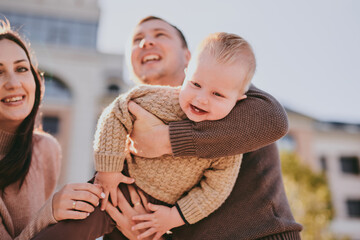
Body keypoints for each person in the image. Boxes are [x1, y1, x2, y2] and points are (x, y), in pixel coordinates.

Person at [32, 16, 302, 240]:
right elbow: (117, 196)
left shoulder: (229, 93)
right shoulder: (134, 113)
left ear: (188, 57)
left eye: (160, 34)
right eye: (137, 40)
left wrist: (167, 140)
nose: (146, 41)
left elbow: (275, 120)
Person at [94, 32, 254, 239]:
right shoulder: (156, 98)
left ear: (238, 101)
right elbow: (117, 112)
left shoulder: (231, 138)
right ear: (188, 74)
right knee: (75, 222)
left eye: (217, 94)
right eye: (196, 84)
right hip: (116, 184)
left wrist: (175, 216)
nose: (202, 99)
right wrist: (108, 171)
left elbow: (215, 190)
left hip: (161, 217)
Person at [0, 19, 105, 240]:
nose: (13, 83)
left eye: (21, 69)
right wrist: (50, 212)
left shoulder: (46, 149)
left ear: (36, 80)